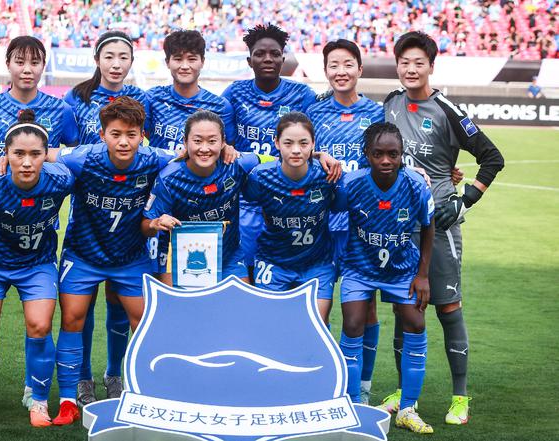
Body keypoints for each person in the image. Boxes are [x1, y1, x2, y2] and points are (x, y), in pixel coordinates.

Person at [379, 31, 505, 425]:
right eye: (404, 62)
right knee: (404, 309)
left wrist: (465, 199)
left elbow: (492, 157)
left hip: (439, 226)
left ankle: (460, 397)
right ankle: (404, 392)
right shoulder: (390, 104)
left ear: (431, 66)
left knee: (449, 309)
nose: (411, 69)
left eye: (419, 62)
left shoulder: (447, 109)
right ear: (397, 66)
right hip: (399, 226)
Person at [51, 97, 176, 425]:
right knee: (73, 319)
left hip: (130, 256)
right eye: (116, 134)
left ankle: (119, 377)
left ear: (142, 136)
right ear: (102, 134)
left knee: (142, 321)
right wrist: (5, 157)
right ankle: (77, 386)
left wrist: (229, 151)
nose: (123, 142)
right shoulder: (83, 157)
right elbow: (44, 154)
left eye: (131, 134)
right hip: (83, 254)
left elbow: (188, 154)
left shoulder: (152, 158)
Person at [0, 110, 74, 427]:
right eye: (18, 154)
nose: (26, 162)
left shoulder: (61, 179)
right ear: (5, 154)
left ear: (46, 155)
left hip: (37, 263)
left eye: (35, 154)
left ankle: (38, 401)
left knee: (40, 325)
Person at [141, 110, 340, 284]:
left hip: (229, 258)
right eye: (197, 141)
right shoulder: (169, 178)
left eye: (212, 141)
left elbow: (284, 158)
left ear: (223, 142)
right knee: (179, 311)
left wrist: (317, 155)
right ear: (185, 142)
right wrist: (155, 223)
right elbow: (145, 226)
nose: (205, 148)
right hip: (179, 257)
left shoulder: (238, 164)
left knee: (241, 312)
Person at [63, 30, 149, 407]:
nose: (116, 64)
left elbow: (147, 146)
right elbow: (60, 147)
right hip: (88, 209)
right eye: (109, 56)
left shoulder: (142, 98)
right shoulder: (76, 97)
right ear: (97, 59)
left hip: (127, 212)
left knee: (119, 300)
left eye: (123, 57)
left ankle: (115, 374)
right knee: (81, 306)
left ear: (131, 61)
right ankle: (82, 378)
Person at [337, 121, 435, 434]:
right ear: (366, 154)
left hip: (402, 269)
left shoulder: (415, 184)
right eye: (378, 153)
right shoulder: (351, 183)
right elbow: (333, 215)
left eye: (393, 154)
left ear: (401, 154)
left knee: (415, 323)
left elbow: (428, 225)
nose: (385, 160)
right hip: (359, 267)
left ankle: (407, 408)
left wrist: (423, 275)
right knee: (353, 323)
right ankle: (354, 405)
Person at [306, 39, 385, 404]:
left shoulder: (377, 113)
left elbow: (389, 161)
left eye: (348, 64)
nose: (341, 71)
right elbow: (294, 150)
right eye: (334, 65)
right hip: (319, 221)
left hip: (361, 225)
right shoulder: (313, 111)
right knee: (315, 303)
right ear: (325, 71)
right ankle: (319, 379)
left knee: (364, 307)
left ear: (360, 69)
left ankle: (362, 389)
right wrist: (317, 153)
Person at [221, 23, 318, 282]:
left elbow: (313, 143)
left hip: (288, 197)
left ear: (283, 59)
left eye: (274, 54)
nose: (267, 59)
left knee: (288, 274)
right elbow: (223, 141)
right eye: (260, 54)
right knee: (246, 274)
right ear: (249, 60)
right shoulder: (234, 93)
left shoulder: (303, 95)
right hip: (246, 198)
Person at [144, 29, 236, 278]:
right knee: (154, 279)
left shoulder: (220, 106)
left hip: (200, 197)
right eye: (178, 58)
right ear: (167, 62)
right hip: (160, 194)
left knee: (203, 271)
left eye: (192, 58)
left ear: (202, 61)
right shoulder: (152, 98)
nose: (185, 65)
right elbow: (140, 138)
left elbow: (226, 148)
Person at [243, 112, 339, 323]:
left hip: (317, 264)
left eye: (303, 143)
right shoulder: (260, 176)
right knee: (271, 325)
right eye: (288, 143)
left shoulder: (327, 175)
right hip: (273, 262)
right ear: (276, 143)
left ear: (313, 143)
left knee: (314, 325)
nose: (296, 150)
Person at [0, 35, 78, 198]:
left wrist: (43, 155)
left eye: (35, 63)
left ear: (43, 66)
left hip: (42, 210)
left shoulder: (61, 110)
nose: (27, 69)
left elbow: (76, 157)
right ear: (8, 64)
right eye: (20, 62)